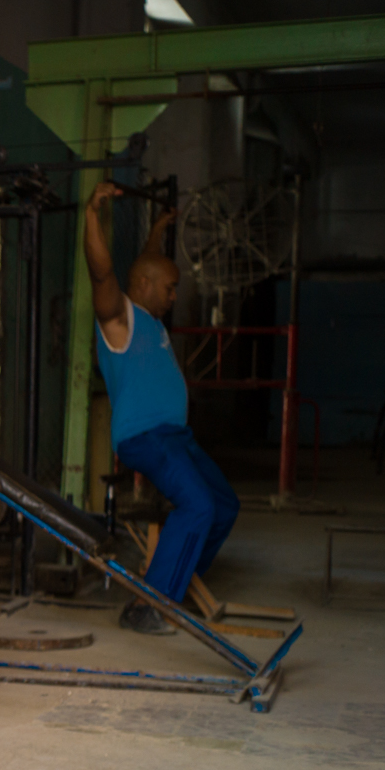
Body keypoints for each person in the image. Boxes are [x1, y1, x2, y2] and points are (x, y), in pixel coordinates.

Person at [85, 180, 239, 634]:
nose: (174, 298)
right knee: (198, 506)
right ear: (145, 286)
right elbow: (102, 274)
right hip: (146, 436)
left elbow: (148, 266)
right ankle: (148, 606)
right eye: (170, 289)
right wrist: (92, 216)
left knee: (223, 505)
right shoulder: (119, 320)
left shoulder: (150, 317)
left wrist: (157, 231)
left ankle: (176, 578)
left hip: (176, 437)